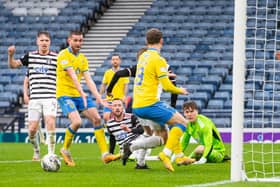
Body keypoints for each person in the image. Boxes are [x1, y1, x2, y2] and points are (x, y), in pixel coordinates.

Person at [131, 28, 195, 172]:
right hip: (150, 103)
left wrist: (163, 74)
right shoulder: (158, 59)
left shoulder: (143, 57)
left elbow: (149, 74)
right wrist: (181, 90)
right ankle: (165, 154)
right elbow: (166, 86)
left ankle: (179, 156)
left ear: (146, 42)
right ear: (161, 41)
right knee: (183, 122)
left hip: (138, 104)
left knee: (172, 126)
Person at [56, 30, 119, 167]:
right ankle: (65, 149)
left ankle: (105, 154)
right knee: (77, 122)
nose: (78, 43)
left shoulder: (83, 58)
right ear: (69, 41)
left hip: (79, 95)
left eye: (80, 40)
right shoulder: (63, 55)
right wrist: (81, 92)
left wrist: (99, 98)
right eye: (75, 40)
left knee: (97, 119)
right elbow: (72, 75)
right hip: (65, 94)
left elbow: (88, 80)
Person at [8, 31, 57, 161]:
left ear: (50, 42)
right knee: (32, 130)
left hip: (50, 97)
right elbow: (13, 65)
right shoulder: (30, 57)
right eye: (42, 40)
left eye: (46, 40)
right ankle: (36, 150)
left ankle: (51, 154)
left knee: (50, 122)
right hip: (35, 99)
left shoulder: (56, 58)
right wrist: (10, 55)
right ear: (37, 42)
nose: (44, 43)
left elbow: (67, 74)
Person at [106, 98, 163, 169]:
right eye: (115, 106)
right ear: (111, 108)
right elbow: (112, 138)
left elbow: (141, 130)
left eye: (119, 105)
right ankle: (141, 163)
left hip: (137, 142)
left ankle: (133, 157)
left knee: (148, 137)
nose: (117, 108)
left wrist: (129, 130)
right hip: (124, 148)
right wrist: (110, 153)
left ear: (123, 107)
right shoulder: (109, 124)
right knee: (143, 147)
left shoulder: (131, 117)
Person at [99, 53, 129, 122]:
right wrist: (100, 96)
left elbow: (126, 85)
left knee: (121, 120)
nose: (115, 61)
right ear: (111, 61)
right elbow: (103, 85)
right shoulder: (107, 72)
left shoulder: (124, 72)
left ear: (120, 61)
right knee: (106, 118)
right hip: (109, 101)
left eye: (116, 59)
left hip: (119, 101)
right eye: (113, 59)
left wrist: (124, 96)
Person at [23, 72, 46, 145]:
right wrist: (25, 95)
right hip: (34, 97)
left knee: (44, 119)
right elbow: (26, 82)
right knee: (35, 121)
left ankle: (42, 137)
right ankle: (41, 138)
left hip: (46, 96)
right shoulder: (31, 67)